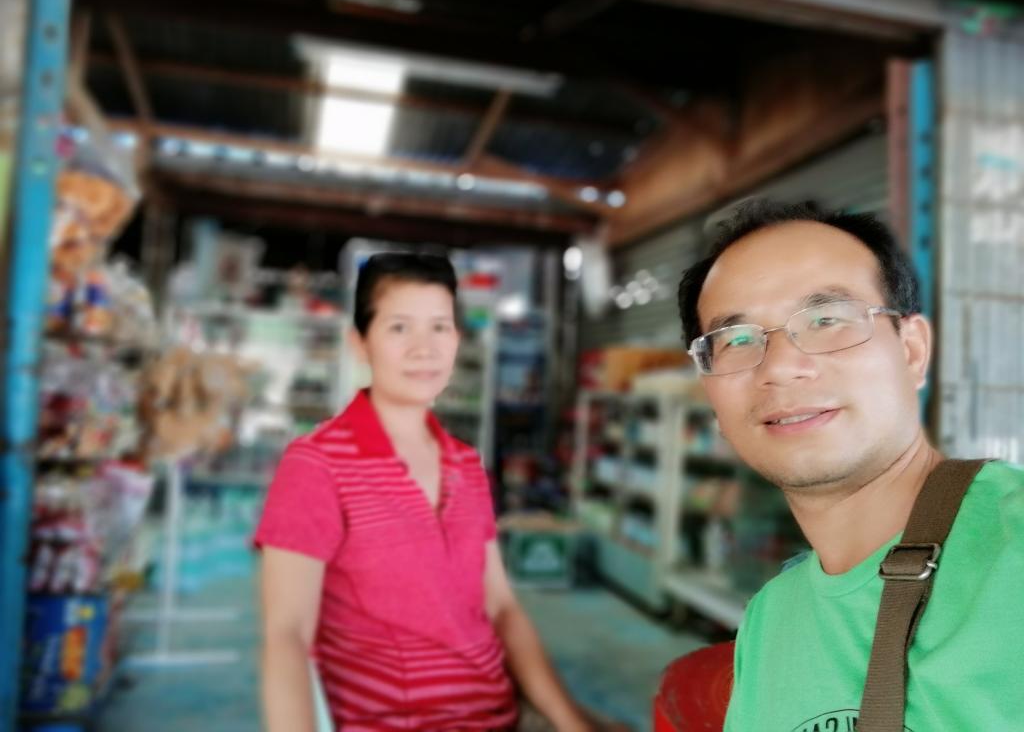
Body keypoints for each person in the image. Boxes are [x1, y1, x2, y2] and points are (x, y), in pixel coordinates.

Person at [675, 199, 1024, 730]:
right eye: (736, 340)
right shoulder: (769, 620)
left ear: (912, 351)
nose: (781, 367)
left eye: (826, 319)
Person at [256, 252, 602, 732]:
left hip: (498, 714)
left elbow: (501, 608)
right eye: (400, 327)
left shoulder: (466, 464)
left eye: (439, 327)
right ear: (360, 343)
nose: (425, 348)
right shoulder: (316, 464)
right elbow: (286, 635)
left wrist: (573, 724)